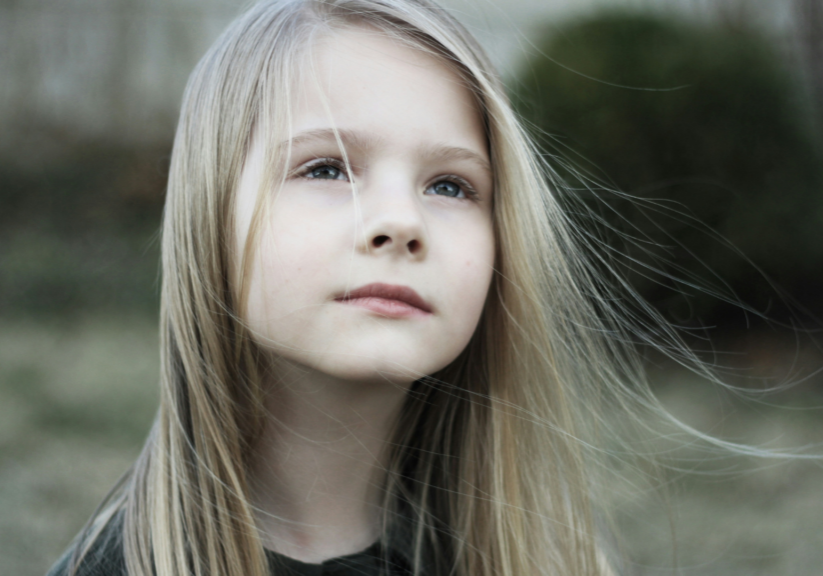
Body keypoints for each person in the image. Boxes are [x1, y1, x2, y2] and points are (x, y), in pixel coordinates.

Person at [47, 0, 692, 574]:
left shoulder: (545, 557)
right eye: (326, 168)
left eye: (450, 185)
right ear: (207, 217)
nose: (401, 222)